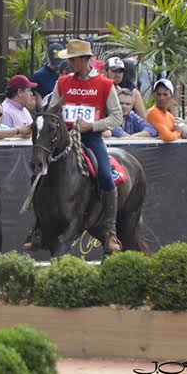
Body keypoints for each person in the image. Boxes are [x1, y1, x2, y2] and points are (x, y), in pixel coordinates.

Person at [27, 39, 125, 252]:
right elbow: (52, 109)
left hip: (90, 138)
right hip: (63, 139)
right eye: (68, 60)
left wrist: (92, 125)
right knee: (37, 172)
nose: (69, 64)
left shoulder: (105, 84)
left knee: (107, 177)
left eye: (73, 60)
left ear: (85, 60)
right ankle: (38, 228)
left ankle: (110, 232)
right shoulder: (62, 82)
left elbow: (117, 117)